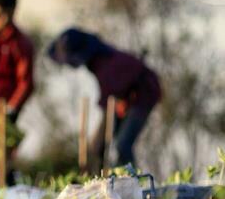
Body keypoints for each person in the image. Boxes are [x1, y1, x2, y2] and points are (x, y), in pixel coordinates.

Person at [47, 28, 163, 170]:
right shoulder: (97, 60)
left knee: (122, 144)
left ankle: (133, 182)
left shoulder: (106, 63)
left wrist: (97, 143)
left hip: (144, 94)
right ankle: (113, 174)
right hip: (126, 99)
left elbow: (108, 102)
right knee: (112, 142)